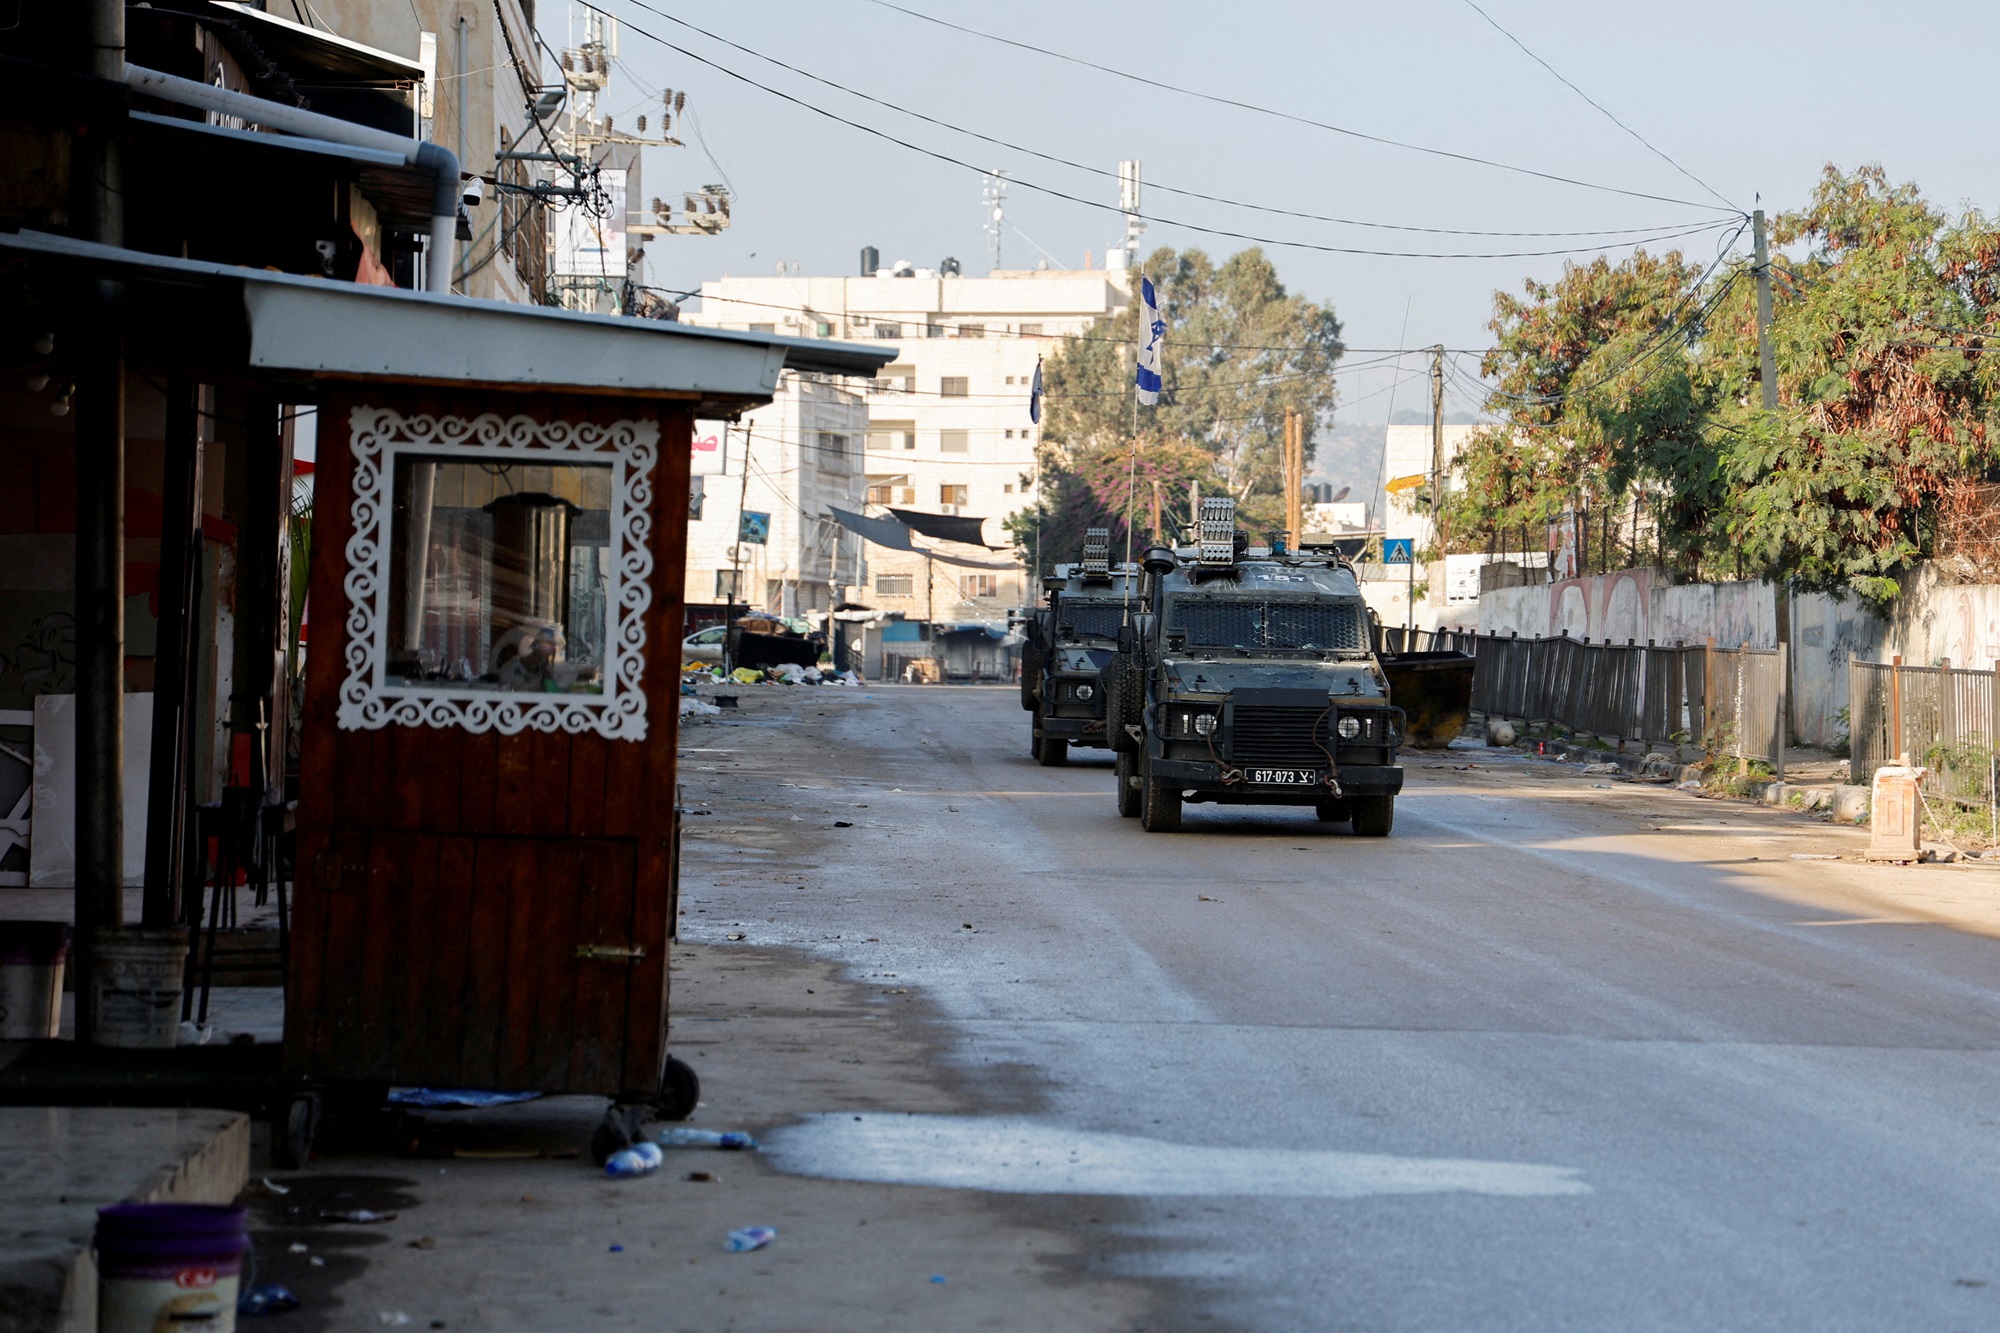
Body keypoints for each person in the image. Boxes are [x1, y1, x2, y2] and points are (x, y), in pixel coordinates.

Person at [498, 624, 563, 690]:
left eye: (545, 656)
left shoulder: (541, 671)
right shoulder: (510, 670)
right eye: (539, 654)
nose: (542, 659)